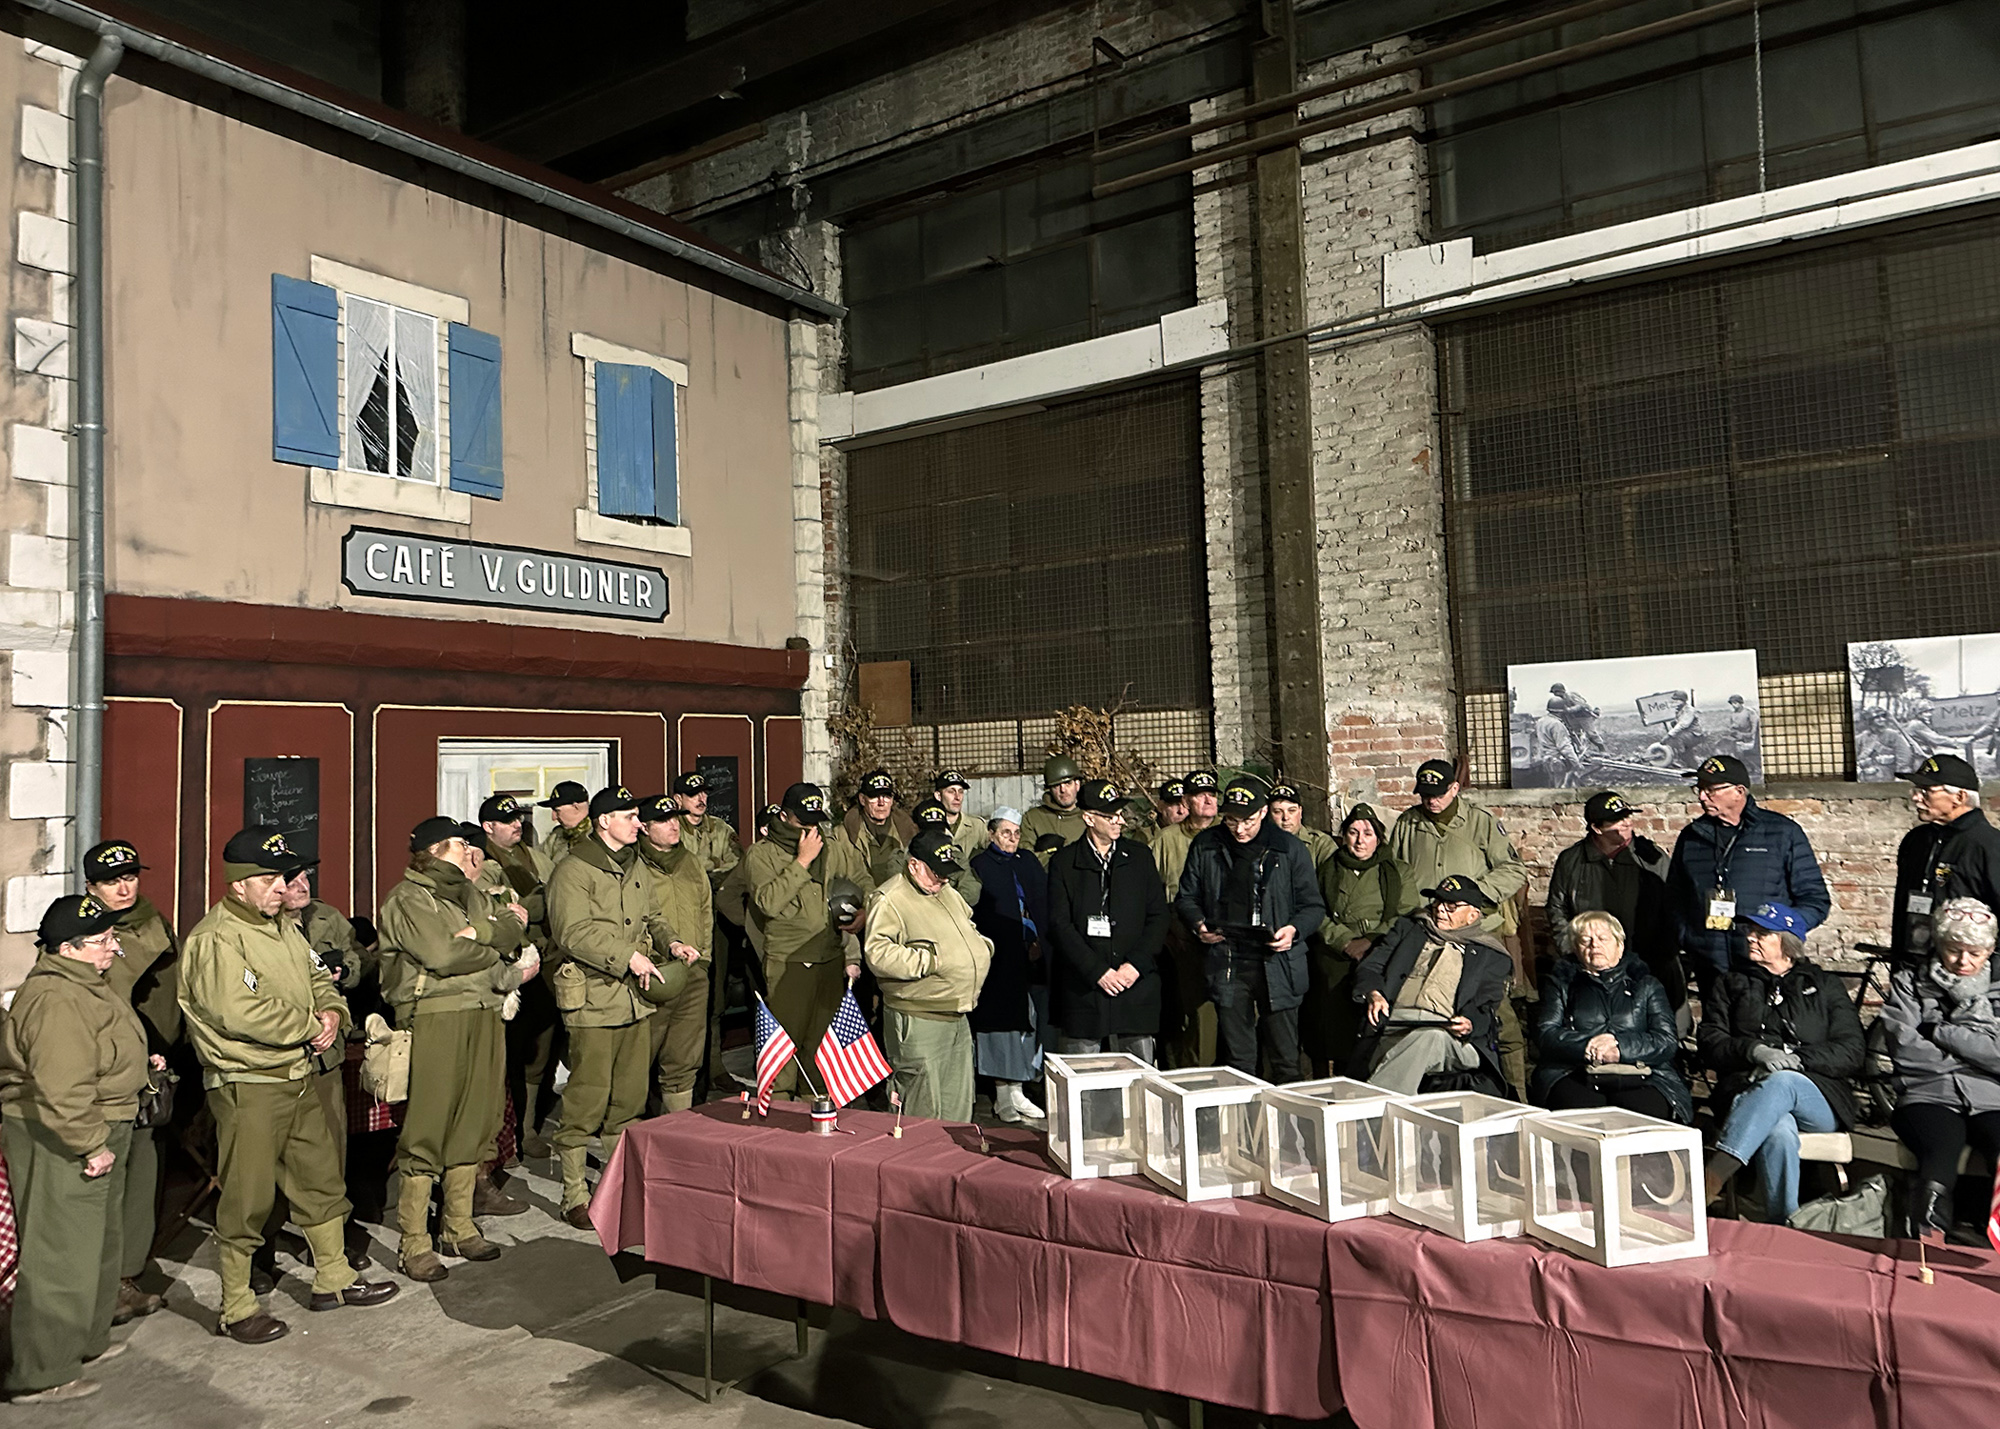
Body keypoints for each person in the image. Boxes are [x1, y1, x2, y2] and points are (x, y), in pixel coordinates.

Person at [178, 827, 396, 1342]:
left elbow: (321, 975)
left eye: (283, 877)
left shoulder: (284, 928)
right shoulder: (216, 939)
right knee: (248, 1196)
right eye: (270, 878)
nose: (283, 886)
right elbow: (238, 1011)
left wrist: (332, 1011)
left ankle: (335, 1277)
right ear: (238, 885)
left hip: (298, 1075)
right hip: (249, 1082)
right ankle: (236, 1306)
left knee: (320, 1178)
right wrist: (307, 1024)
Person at [0, 895, 156, 1402]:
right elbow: (60, 1087)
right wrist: (90, 1144)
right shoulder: (56, 998)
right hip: (66, 1133)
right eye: (103, 940)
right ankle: (43, 1371)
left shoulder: (87, 983)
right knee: (61, 1252)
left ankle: (85, 1341)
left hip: (101, 1123)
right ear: (68, 948)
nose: (114, 947)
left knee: (97, 1244)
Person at [376, 816, 537, 1278]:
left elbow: (513, 934)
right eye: (460, 845)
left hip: (484, 1011)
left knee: (475, 1119)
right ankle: (414, 1242)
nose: (471, 852)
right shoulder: (408, 898)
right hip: (434, 1016)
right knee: (429, 1125)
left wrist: (480, 936)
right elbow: (441, 956)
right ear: (435, 851)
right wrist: (490, 940)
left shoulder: (470, 893)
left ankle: (459, 1226)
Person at [545, 786, 696, 1224]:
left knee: (628, 1098)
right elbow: (572, 932)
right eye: (628, 816)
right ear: (603, 822)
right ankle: (574, 1192)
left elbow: (653, 916)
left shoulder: (634, 867)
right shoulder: (573, 872)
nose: (637, 822)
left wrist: (672, 941)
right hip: (594, 1000)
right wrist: (627, 956)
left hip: (635, 999)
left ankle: (618, 1185)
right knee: (587, 1097)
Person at [1697, 902, 1864, 1222]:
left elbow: (1852, 1049)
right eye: (1750, 931)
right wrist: (1753, 1051)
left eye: (1763, 933)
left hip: (1818, 1096)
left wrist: (1796, 1059)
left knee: (1783, 1081)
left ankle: (1711, 1179)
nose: (1750, 938)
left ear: (1787, 942)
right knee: (1779, 1129)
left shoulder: (1825, 985)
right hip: (1746, 1088)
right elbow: (1710, 1043)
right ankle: (1783, 1224)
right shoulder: (1730, 982)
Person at [1389, 759, 1531, 1091]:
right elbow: (1396, 873)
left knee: (1500, 1018)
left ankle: (1517, 1096)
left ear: (1455, 789)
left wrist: (1473, 898)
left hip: (1473, 934)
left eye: (1438, 794)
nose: (1431, 801)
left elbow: (1513, 870)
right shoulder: (1408, 824)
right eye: (1425, 794)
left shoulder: (1481, 823)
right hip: (1427, 931)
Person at [81, 839, 175, 1325]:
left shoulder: (153, 921)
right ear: (91, 888)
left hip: (158, 1062)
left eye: (131, 877)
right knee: (113, 1181)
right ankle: (107, 1284)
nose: (124, 887)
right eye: (111, 881)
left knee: (144, 1173)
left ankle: (128, 1275)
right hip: (112, 1074)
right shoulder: (87, 935)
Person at [1175, 777, 1326, 1079]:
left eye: (1247, 821)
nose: (1239, 830)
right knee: (1238, 1059)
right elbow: (1186, 897)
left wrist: (1294, 930)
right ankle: (1241, 1124)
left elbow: (1313, 906)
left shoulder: (1289, 849)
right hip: (1229, 957)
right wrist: (1199, 924)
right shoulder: (1207, 845)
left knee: (1285, 1059)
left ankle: (1289, 1124)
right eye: (1231, 821)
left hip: (1277, 961)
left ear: (1262, 813)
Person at [1878, 897, 2000, 1243]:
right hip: (1928, 1094)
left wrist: (1940, 1031)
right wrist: (1973, 1055)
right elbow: (1904, 1047)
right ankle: (1929, 1244)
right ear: (1938, 943)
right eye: (1953, 950)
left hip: (1992, 1098)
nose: (1963, 961)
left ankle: (1987, 1239)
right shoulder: (1909, 983)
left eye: (1975, 952)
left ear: (1989, 950)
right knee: (1940, 1153)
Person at [741, 783, 873, 1098]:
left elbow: (864, 879)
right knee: (785, 1045)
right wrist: (801, 861)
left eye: (815, 821)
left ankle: (817, 1109)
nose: (811, 828)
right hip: (789, 962)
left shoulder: (833, 847)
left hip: (830, 957)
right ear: (784, 816)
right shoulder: (762, 853)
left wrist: (864, 909)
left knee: (822, 1046)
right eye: (803, 821)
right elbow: (768, 902)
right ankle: (780, 1113)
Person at [1667, 755, 1831, 995]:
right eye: (1699, 789)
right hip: (1710, 965)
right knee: (1717, 1030)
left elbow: (1815, 899)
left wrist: (1782, 935)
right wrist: (1688, 937)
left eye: (1711, 790)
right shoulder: (1691, 837)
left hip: (1764, 966)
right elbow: (1674, 897)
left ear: (1739, 791)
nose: (1702, 797)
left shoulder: (1781, 833)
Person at [864, 832, 993, 1121]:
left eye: (947, 873)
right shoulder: (889, 898)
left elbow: (968, 925)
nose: (943, 879)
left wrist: (982, 948)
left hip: (957, 1015)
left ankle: (953, 1164)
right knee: (921, 1110)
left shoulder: (945, 891)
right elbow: (878, 953)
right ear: (913, 865)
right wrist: (929, 961)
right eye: (937, 872)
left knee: (957, 1110)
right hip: (918, 1018)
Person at [1046, 780, 1168, 1068]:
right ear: (1089, 818)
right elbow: (1060, 924)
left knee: (1139, 1080)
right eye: (1110, 816)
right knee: (1083, 1081)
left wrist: (1135, 965)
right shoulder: (1064, 863)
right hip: (1085, 989)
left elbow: (1158, 916)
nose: (1119, 821)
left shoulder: (1139, 857)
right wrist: (1096, 970)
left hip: (1133, 986)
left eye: (1120, 814)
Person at [1354, 875, 1512, 1095]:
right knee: (1392, 1051)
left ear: (1472, 915)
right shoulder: (1410, 928)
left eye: (1451, 906)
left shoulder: (1491, 955)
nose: (1439, 910)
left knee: (1429, 1037)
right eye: (1437, 902)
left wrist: (1469, 1023)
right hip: (1396, 1023)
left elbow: (1486, 1007)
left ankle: (1368, 1107)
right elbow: (1371, 967)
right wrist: (1374, 993)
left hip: (1451, 1036)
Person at [1531, 912, 1691, 1122]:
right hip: (1574, 1070)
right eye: (1585, 940)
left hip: (1645, 1073)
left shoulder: (1646, 984)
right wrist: (1588, 1046)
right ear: (1576, 949)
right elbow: (1546, 1034)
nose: (1594, 945)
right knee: (1581, 1116)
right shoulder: (1561, 984)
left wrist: (1619, 1046)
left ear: (1620, 945)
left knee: (1643, 1115)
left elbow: (1667, 1041)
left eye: (1603, 939)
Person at [479, 793, 561, 1160]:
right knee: (507, 1053)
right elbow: (499, 913)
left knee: (540, 1050)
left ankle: (527, 1127)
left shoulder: (537, 856)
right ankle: (503, 1137)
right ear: (487, 827)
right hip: (505, 968)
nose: (517, 824)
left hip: (544, 960)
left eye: (519, 818)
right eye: (507, 819)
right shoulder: (481, 862)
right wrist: (534, 904)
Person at [1304, 806, 1413, 1077]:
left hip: (1382, 950)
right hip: (1336, 953)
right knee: (1333, 1027)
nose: (1360, 840)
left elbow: (1407, 913)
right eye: (1353, 832)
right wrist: (1343, 940)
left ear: (1379, 838)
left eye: (1368, 833)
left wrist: (1372, 941)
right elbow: (1315, 910)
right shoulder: (1328, 870)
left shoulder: (1398, 871)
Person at [1545, 791, 1681, 1007]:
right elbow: (1557, 908)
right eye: (1617, 820)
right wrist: (1573, 948)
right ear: (1597, 828)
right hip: (1593, 962)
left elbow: (1674, 904)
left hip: (1649, 961)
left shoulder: (1651, 857)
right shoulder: (1571, 861)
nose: (1626, 823)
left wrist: (1666, 949)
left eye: (1627, 816)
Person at [968, 807, 1049, 1121]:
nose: (1012, 839)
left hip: (1032, 957)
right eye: (1005, 833)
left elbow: (1040, 903)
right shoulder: (980, 865)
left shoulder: (1027, 862)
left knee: (1031, 1020)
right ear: (991, 834)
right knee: (1001, 1025)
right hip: (999, 958)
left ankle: (1021, 1089)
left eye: (1016, 833)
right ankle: (1005, 1094)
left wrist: (1040, 941)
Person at [636, 796, 712, 1114]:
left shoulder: (690, 860)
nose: (673, 825)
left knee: (684, 1056)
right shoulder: (633, 864)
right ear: (644, 827)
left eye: (675, 819)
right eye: (664, 820)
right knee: (639, 1056)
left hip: (693, 970)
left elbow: (705, 909)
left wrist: (704, 957)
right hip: (653, 974)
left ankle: (678, 1126)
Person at [1890, 754, 2000, 965]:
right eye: (1915, 790)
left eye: (1927, 791)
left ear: (1959, 797)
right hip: (1913, 966)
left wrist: (1986, 970)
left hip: (1967, 972)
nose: (1916, 797)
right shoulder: (1917, 840)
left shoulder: (1988, 845)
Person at [1155, 768, 1221, 1068]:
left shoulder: (1230, 833)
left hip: (1224, 935)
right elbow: (1151, 891)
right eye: (1199, 795)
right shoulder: (1167, 839)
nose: (1207, 800)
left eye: (1212, 794)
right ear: (1186, 801)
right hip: (1180, 938)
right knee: (1193, 1013)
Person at [838, 768, 917, 887]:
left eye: (886, 796)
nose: (881, 802)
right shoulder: (843, 836)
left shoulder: (908, 832)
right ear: (863, 800)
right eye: (874, 796)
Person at [912, 796, 983, 903]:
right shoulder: (904, 858)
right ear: (917, 829)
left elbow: (971, 891)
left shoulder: (956, 856)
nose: (935, 836)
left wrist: (943, 904)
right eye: (929, 832)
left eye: (939, 830)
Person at [1021, 755, 1085, 860]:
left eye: (1068, 783)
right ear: (1049, 789)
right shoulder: (1033, 818)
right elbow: (1026, 859)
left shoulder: (1091, 816)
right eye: (1056, 785)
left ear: (1077, 785)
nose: (1063, 790)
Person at [1267, 781, 1336, 867]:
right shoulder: (1261, 844)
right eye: (1278, 812)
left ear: (1300, 812)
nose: (1286, 817)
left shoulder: (1320, 844)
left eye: (1292, 810)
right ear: (1269, 814)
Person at [933, 769, 990, 865]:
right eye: (951, 792)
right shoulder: (927, 826)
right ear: (938, 796)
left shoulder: (977, 825)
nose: (957, 797)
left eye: (961, 792)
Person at [1532, 697, 1587, 786]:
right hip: (1556, 762)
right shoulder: (1557, 724)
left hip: (1544, 760)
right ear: (1560, 712)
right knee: (1560, 788)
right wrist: (1576, 763)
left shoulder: (1541, 721)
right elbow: (1564, 747)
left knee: (1550, 785)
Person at [538, 780, 594, 864]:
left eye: (557, 811)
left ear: (576, 807)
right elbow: (538, 860)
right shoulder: (557, 836)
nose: (554, 818)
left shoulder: (599, 835)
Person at [1661, 691, 1706, 768]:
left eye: (1677, 700)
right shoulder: (1679, 709)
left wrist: (1669, 735)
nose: (1675, 702)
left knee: (1677, 738)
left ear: (1683, 701)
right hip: (1687, 734)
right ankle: (1689, 762)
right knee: (1677, 740)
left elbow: (1683, 724)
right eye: (1674, 700)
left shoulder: (1689, 710)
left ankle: (1680, 758)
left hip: (1695, 735)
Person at [1725, 695, 1760, 760]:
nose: (1733, 705)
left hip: (1749, 739)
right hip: (1737, 737)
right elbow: (1732, 727)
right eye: (1732, 703)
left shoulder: (1749, 712)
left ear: (1740, 703)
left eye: (1735, 703)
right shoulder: (1733, 714)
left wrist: (1748, 735)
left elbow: (1754, 727)